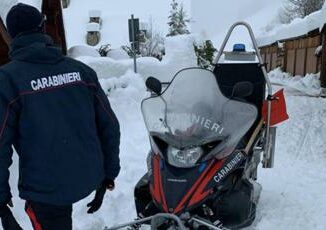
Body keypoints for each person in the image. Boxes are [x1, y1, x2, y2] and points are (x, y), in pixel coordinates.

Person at [0, 3, 120, 230]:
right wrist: (108, 174)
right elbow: (110, 126)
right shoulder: (81, 71)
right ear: (43, 28)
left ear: (12, 36)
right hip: (87, 175)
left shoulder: (7, 80)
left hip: (47, 192)